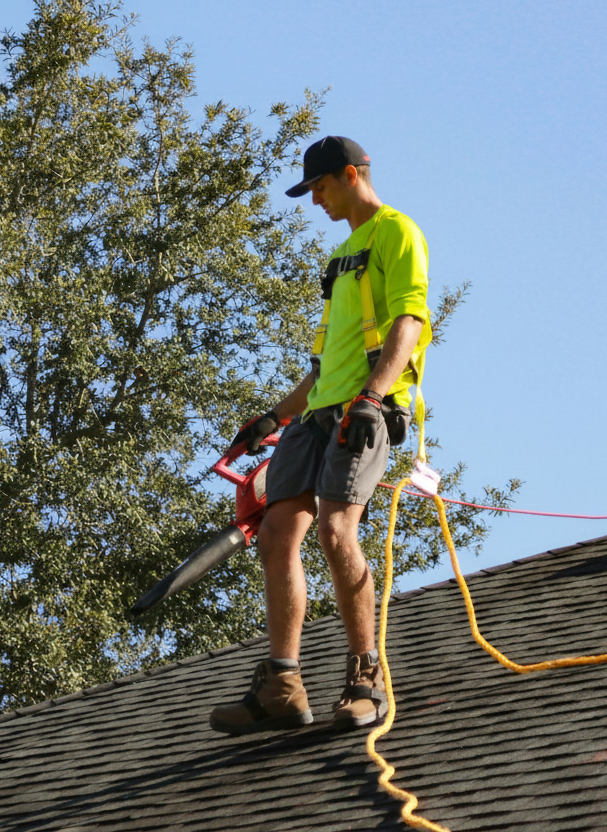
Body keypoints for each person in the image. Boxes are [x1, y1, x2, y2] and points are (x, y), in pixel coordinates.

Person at [209, 136, 432, 734]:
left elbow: (409, 321)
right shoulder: (340, 257)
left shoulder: (396, 232)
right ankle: (282, 683)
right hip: (316, 416)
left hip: (363, 411)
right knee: (278, 532)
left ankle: (367, 678)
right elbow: (322, 364)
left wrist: (374, 397)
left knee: (337, 530)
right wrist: (271, 419)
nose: (315, 202)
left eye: (321, 188)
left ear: (352, 175)